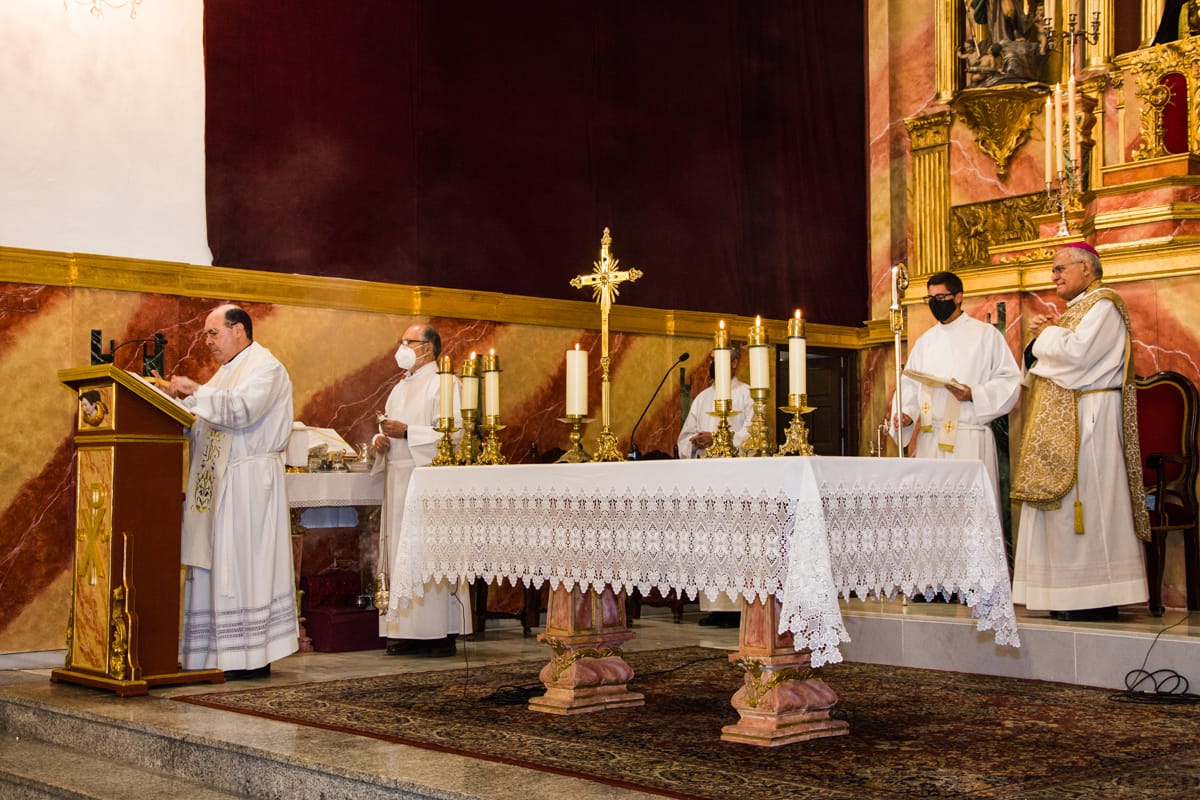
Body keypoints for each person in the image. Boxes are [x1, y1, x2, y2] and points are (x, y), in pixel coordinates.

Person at [1011, 243, 1150, 622]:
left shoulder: (1104, 305)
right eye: (1053, 269)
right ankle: (1065, 592)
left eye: (1061, 268)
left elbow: (1077, 356)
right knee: (1066, 510)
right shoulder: (1077, 310)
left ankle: (1097, 595)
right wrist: (1044, 339)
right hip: (1072, 414)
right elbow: (1047, 362)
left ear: (1087, 269)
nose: (1054, 275)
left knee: (1091, 505)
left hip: (1092, 417)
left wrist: (1047, 335)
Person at [167, 304, 297, 680]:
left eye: (213, 333)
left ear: (238, 329)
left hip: (249, 483)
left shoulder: (265, 367)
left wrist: (194, 391)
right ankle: (216, 652)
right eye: (206, 335)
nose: (208, 341)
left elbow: (241, 411)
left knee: (243, 566)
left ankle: (249, 655)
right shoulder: (226, 372)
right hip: (220, 482)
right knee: (219, 564)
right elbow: (205, 420)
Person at [374, 322, 472, 656]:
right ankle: (404, 630)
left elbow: (454, 434)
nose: (401, 347)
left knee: (427, 552)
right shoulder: (399, 387)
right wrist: (381, 440)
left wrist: (408, 433)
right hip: (398, 478)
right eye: (400, 341)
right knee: (400, 554)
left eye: (408, 341)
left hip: (427, 481)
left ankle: (438, 631)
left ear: (427, 348)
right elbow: (389, 428)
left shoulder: (444, 383)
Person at [890, 270, 1020, 501]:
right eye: (930, 298)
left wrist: (973, 394)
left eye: (941, 297)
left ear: (959, 297)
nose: (935, 303)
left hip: (968, 439)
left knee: (970, 506)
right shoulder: (925, 342)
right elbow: (909, 384)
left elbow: (1009, 380)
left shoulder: (985, 335)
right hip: (930, 441)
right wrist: (907, 414)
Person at [677, 342, 754, 627]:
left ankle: (739, 608)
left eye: (718, 358)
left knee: (735, 544)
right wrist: (695, 443)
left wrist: (722, 439)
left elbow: (754, 433)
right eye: (711, 358)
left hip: (736, 483)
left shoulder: (746, 394)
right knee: (710, 544)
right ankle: (715, 607)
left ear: (734, 363)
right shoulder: (702, 398)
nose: (712, 363)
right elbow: (684, 436)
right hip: (707, 483)